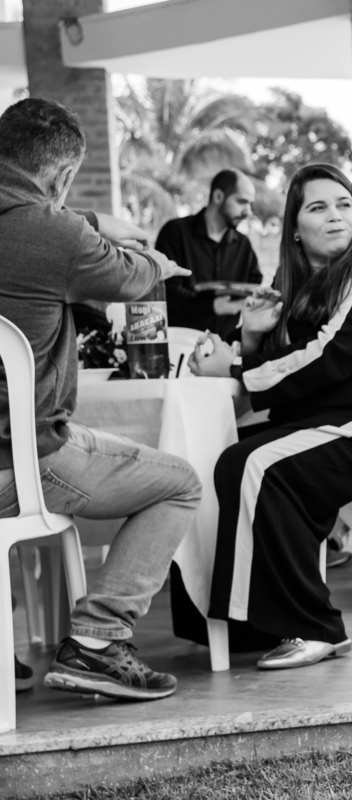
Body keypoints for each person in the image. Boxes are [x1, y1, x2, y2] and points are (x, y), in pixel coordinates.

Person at [188, 163, 352, 670]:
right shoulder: (294, 283)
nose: (336, 216)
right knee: (221, 459)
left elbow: (331, 355)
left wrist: (234, 365)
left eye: (344, 204)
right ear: (295, 227)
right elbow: (283, 360)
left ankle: (313, 625)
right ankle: (245, 627)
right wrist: (251, 336)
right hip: (330, 418)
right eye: (318, 207)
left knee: (259, 466)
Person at [0, 97, 201, 701]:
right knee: (181, 482)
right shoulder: (51, 234)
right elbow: (133, 276)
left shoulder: (51, 227)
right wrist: (154, 261)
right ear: (61, 176)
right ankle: (97, 639)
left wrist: (84, 216)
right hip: (21, 463)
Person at [156, 169, 262, 339]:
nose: (248, 212)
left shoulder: (244, 244)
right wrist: (211, 306)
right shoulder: (175, 232)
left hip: (226, 345)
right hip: (181, 343)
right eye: (242, 202)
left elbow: (254, 283)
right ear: (218, 196)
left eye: (250, 204)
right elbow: (166, 291)